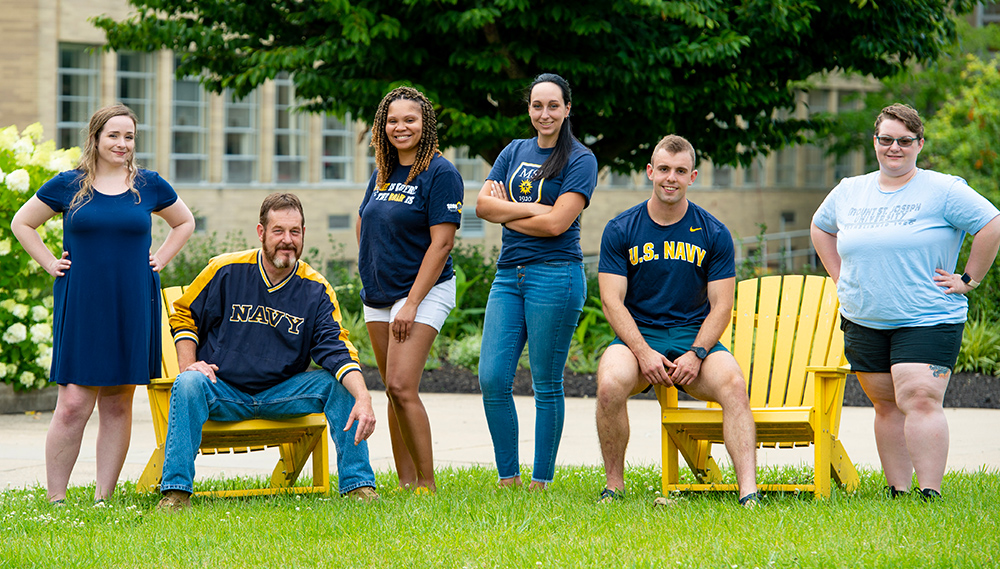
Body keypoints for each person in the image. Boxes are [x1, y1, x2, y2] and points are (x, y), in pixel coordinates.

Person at [811, 103, 1000, 500]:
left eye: (904, 140)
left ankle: (929, 491)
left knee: (919, 397)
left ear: (919, 143)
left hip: (927, 315)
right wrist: (837, 273)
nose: (893, 147)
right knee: (885, 405)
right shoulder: (851, 190)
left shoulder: (943, 189)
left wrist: (970, 278)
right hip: (864, 315)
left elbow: (991, 223)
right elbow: (821, 226)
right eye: (886, 139)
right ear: (875, 142)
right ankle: (897, 489)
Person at [10, 104, 195, 505]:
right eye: (114, 135)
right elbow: (22, 222)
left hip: (132, 300)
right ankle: (55, 499)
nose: (122, 144)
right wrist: (48, 262)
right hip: (82, 302)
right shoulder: (68, 184)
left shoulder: (150, 185)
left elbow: (184, 222)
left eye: (129, 136)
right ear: (95, 138)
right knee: (74, 401)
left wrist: (160, 258)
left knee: (117, 401)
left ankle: (102, 498)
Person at [156, 193, 378, 510]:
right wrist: (190, 364)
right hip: (224, 391)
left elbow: (336, 348)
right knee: (189, 383)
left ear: (303, 233)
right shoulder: (226, 270)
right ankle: (176, 493)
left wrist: (364, 397)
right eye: (278, 231)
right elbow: (184, 315)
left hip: (283, 395)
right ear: (261, 232)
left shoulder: (316, 289)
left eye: (295, 232)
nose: (287, 240)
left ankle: (359, 487)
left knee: (340, 386)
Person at [595, 135, 760, 506]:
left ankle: (749, 492)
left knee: (734, 385)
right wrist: (643, 353)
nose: (671, 177)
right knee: (609, 385)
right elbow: (612, 300)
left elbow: (721, 306)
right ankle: (614, 486)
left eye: (680, 171)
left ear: (693, 176)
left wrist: (697, 353)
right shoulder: (621, 229)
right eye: (665, 169)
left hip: (692, 337)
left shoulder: (713, 232)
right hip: (639, 337)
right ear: (650, 172)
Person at [475, 73, 598, 490]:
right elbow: (481, 207)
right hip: (509, 275)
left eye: (553, 106)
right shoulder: (513, 151)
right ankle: (507, 477)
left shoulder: (581, 159)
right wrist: (536, 211)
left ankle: (540, 480)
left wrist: (507, 209)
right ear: (529, 109)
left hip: (556, 275)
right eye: (537, 106)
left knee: (546, 382)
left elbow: (559, 226)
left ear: (567, 109)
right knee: (492, 377)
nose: (544, 114)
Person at [357, 86, 463, 493]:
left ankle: (426, 485)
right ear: (383, 126)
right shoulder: (383, 171)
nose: (400, 127)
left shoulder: (441, 173)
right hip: (379, 293)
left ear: (426, 125)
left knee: (402, 385)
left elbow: (442, 243)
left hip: (422, 291)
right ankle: (405, 482)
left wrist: (412, 303)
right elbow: (366, 220)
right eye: (393, 120)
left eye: (410, 120)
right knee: (393, 390)